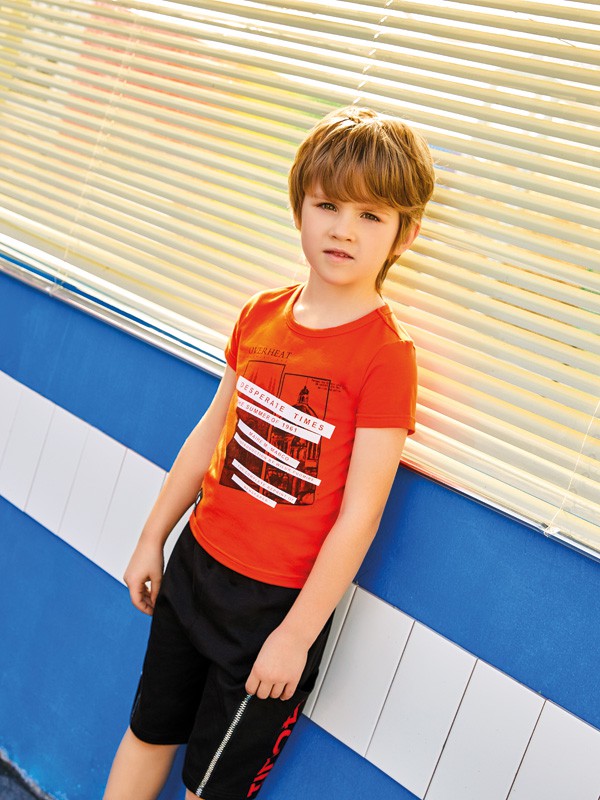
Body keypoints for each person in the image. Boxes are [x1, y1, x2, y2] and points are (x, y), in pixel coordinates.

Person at [103, 105, 435, 800]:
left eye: (371, 215)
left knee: (211, 786)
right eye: (328, 205)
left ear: (404, 234)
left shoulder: (385, 357)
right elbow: (209, 433)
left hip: (273, 610)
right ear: (300, 207)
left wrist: (295, 635)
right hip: (196, 564)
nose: (344, 229)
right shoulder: (260, 314)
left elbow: (360, 516)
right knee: (147, 731)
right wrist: (152, 537)